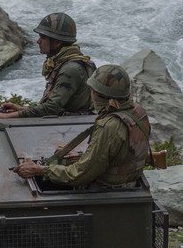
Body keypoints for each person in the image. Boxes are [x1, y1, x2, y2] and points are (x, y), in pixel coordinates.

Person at [13, 65, 151, 188]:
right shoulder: (138, 113)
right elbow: (120, 153)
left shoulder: (109, 126)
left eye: (93, 91)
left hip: (105, 190)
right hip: (131, 184)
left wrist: (39, 170)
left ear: (100, 96)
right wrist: (83, 154)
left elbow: (79, 175)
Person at [0, 12, 95, 120]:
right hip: (72, 124)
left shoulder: (71, 69)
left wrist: (5, 116)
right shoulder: (65, 63)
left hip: (74, 127)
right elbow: (56, 108)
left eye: (43, 38)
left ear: (57, 42)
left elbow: (51, 108)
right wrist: (20, 109)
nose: (38, 41)